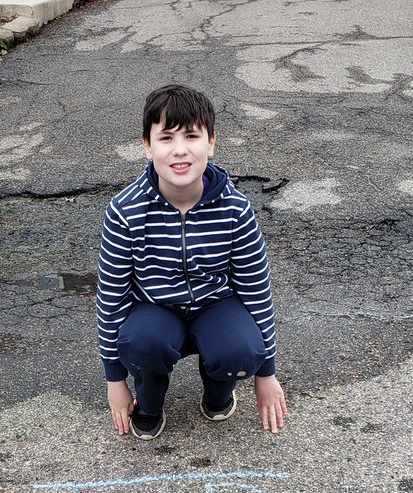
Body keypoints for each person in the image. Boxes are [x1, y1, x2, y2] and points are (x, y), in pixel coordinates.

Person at [95, 84, 288, 440]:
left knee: (241, 349)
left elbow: (257, 290)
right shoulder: (125, 211)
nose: (180, 150)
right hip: (154, 311)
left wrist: (266, 373)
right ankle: (150, 406)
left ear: (211, 142)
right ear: (147, 145)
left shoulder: (235, 209)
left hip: (215, 306)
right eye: (166, 137)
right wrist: (114, 379)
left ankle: (217, 394)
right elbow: (111, 297)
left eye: (192, 136)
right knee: (142, 343)